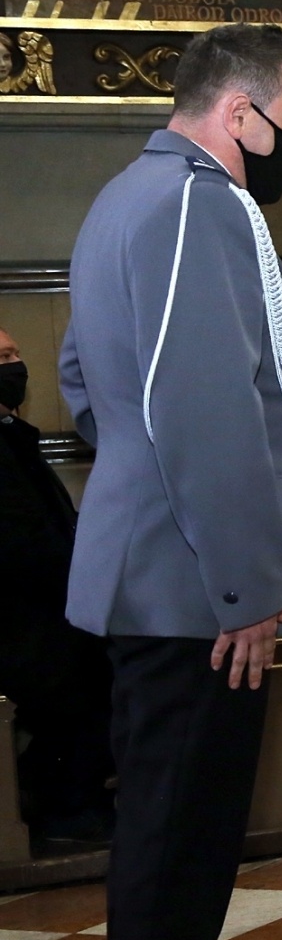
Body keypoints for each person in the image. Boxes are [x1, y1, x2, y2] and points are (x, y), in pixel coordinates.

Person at [58, 23, 282, 940]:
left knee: (167, 824)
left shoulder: (125, 196)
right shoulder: (200, 204)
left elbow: (85, 380)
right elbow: (204, 407)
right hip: (197, 587)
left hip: (157, 566)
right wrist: (243, 583)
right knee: (183, 839)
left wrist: (137, 475)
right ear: (239, 112)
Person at [0, 327, 115, 845]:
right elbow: (23, 545)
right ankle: (67, 806)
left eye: (16, 353)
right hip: (20, 615)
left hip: (43, 603)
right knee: (86, 670)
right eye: (3, 357)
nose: (15, 366)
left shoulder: (12, 434)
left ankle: (68, 791)